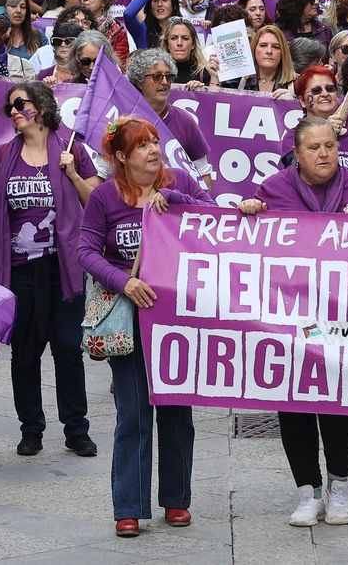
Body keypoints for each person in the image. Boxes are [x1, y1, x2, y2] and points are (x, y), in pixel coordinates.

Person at [239, 116, 348, 527]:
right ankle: (306, 491)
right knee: (295, 403)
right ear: (296, 154)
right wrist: (251, 212)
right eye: (314, 148)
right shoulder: (272, 190)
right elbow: (247, 247)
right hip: (290, 318)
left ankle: (339, 485)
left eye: (330, 146)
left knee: (340, 400)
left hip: (343, 319)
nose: (324, 154)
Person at [77, 116, 203, 537]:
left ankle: (176, 500)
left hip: (176, 320)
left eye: (154, 141)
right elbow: (86, 250)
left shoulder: (178, 181)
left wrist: (176, 200)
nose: (153, 149)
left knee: (176, 412)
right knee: (133, 413)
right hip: (129, 322)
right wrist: (124, 281)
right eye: (142, 146)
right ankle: (128, 507)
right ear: (121, 158)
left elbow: (216, 219)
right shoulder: (105, 198)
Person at [0, 81, 100, 456]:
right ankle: (31, 428)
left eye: (21, 104)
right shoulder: (2, 157)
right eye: (10, 108)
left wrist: (73, 174)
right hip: (18, 270)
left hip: (62, 268)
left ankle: (76, 429)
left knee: (67, 347)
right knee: (26, 351)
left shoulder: (73, 152)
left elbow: (96, 203)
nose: (14, 111)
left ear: (43, 109)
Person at [128, 49, 214, 185]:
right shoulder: (126, 121)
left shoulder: (185, 120)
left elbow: (204, 176)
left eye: (169, 76)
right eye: (157, 76)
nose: (164, 82)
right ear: (139, 81)